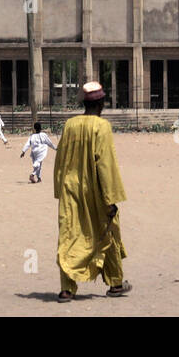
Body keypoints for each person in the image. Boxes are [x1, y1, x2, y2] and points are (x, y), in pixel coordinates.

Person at [52, 80, 129, 303]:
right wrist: (111, 197)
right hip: (95, 191)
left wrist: (60, 189)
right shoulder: (101, 126)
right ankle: (115, 283)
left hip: (70, 191)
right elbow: (105, 164)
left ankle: (67, 289)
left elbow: (60, 160)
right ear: (102, 103)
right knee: (108, 232)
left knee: (70, 235)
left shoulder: (70, 125)